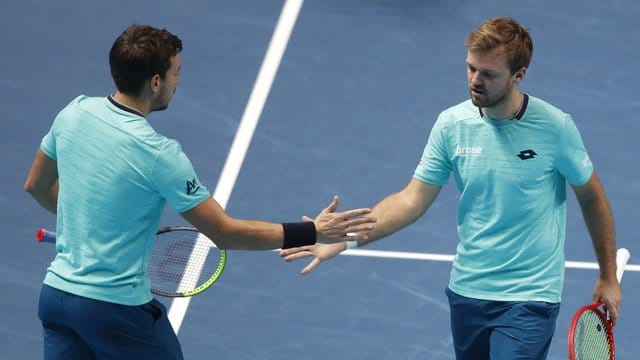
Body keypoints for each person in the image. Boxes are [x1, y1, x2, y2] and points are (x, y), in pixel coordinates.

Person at [24, 24, 376, 360]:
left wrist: (90, 225)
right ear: (156, 81)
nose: (179, 81)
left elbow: (36, 187)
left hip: (56, 299)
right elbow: (225, 232)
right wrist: (312, 230)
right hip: (115, 310)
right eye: (176, 72)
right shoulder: (159, 154)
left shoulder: (74, 112)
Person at [280, 16, 621, 359]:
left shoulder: (555, 128)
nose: (475, 81)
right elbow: (410, 200)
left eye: (488, 74)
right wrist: (346, 238)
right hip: (468, 290)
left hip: (529, 296)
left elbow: (592, 198)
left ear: (519, 75)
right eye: (471, 68)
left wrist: (608, 276)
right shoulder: (452, 125)